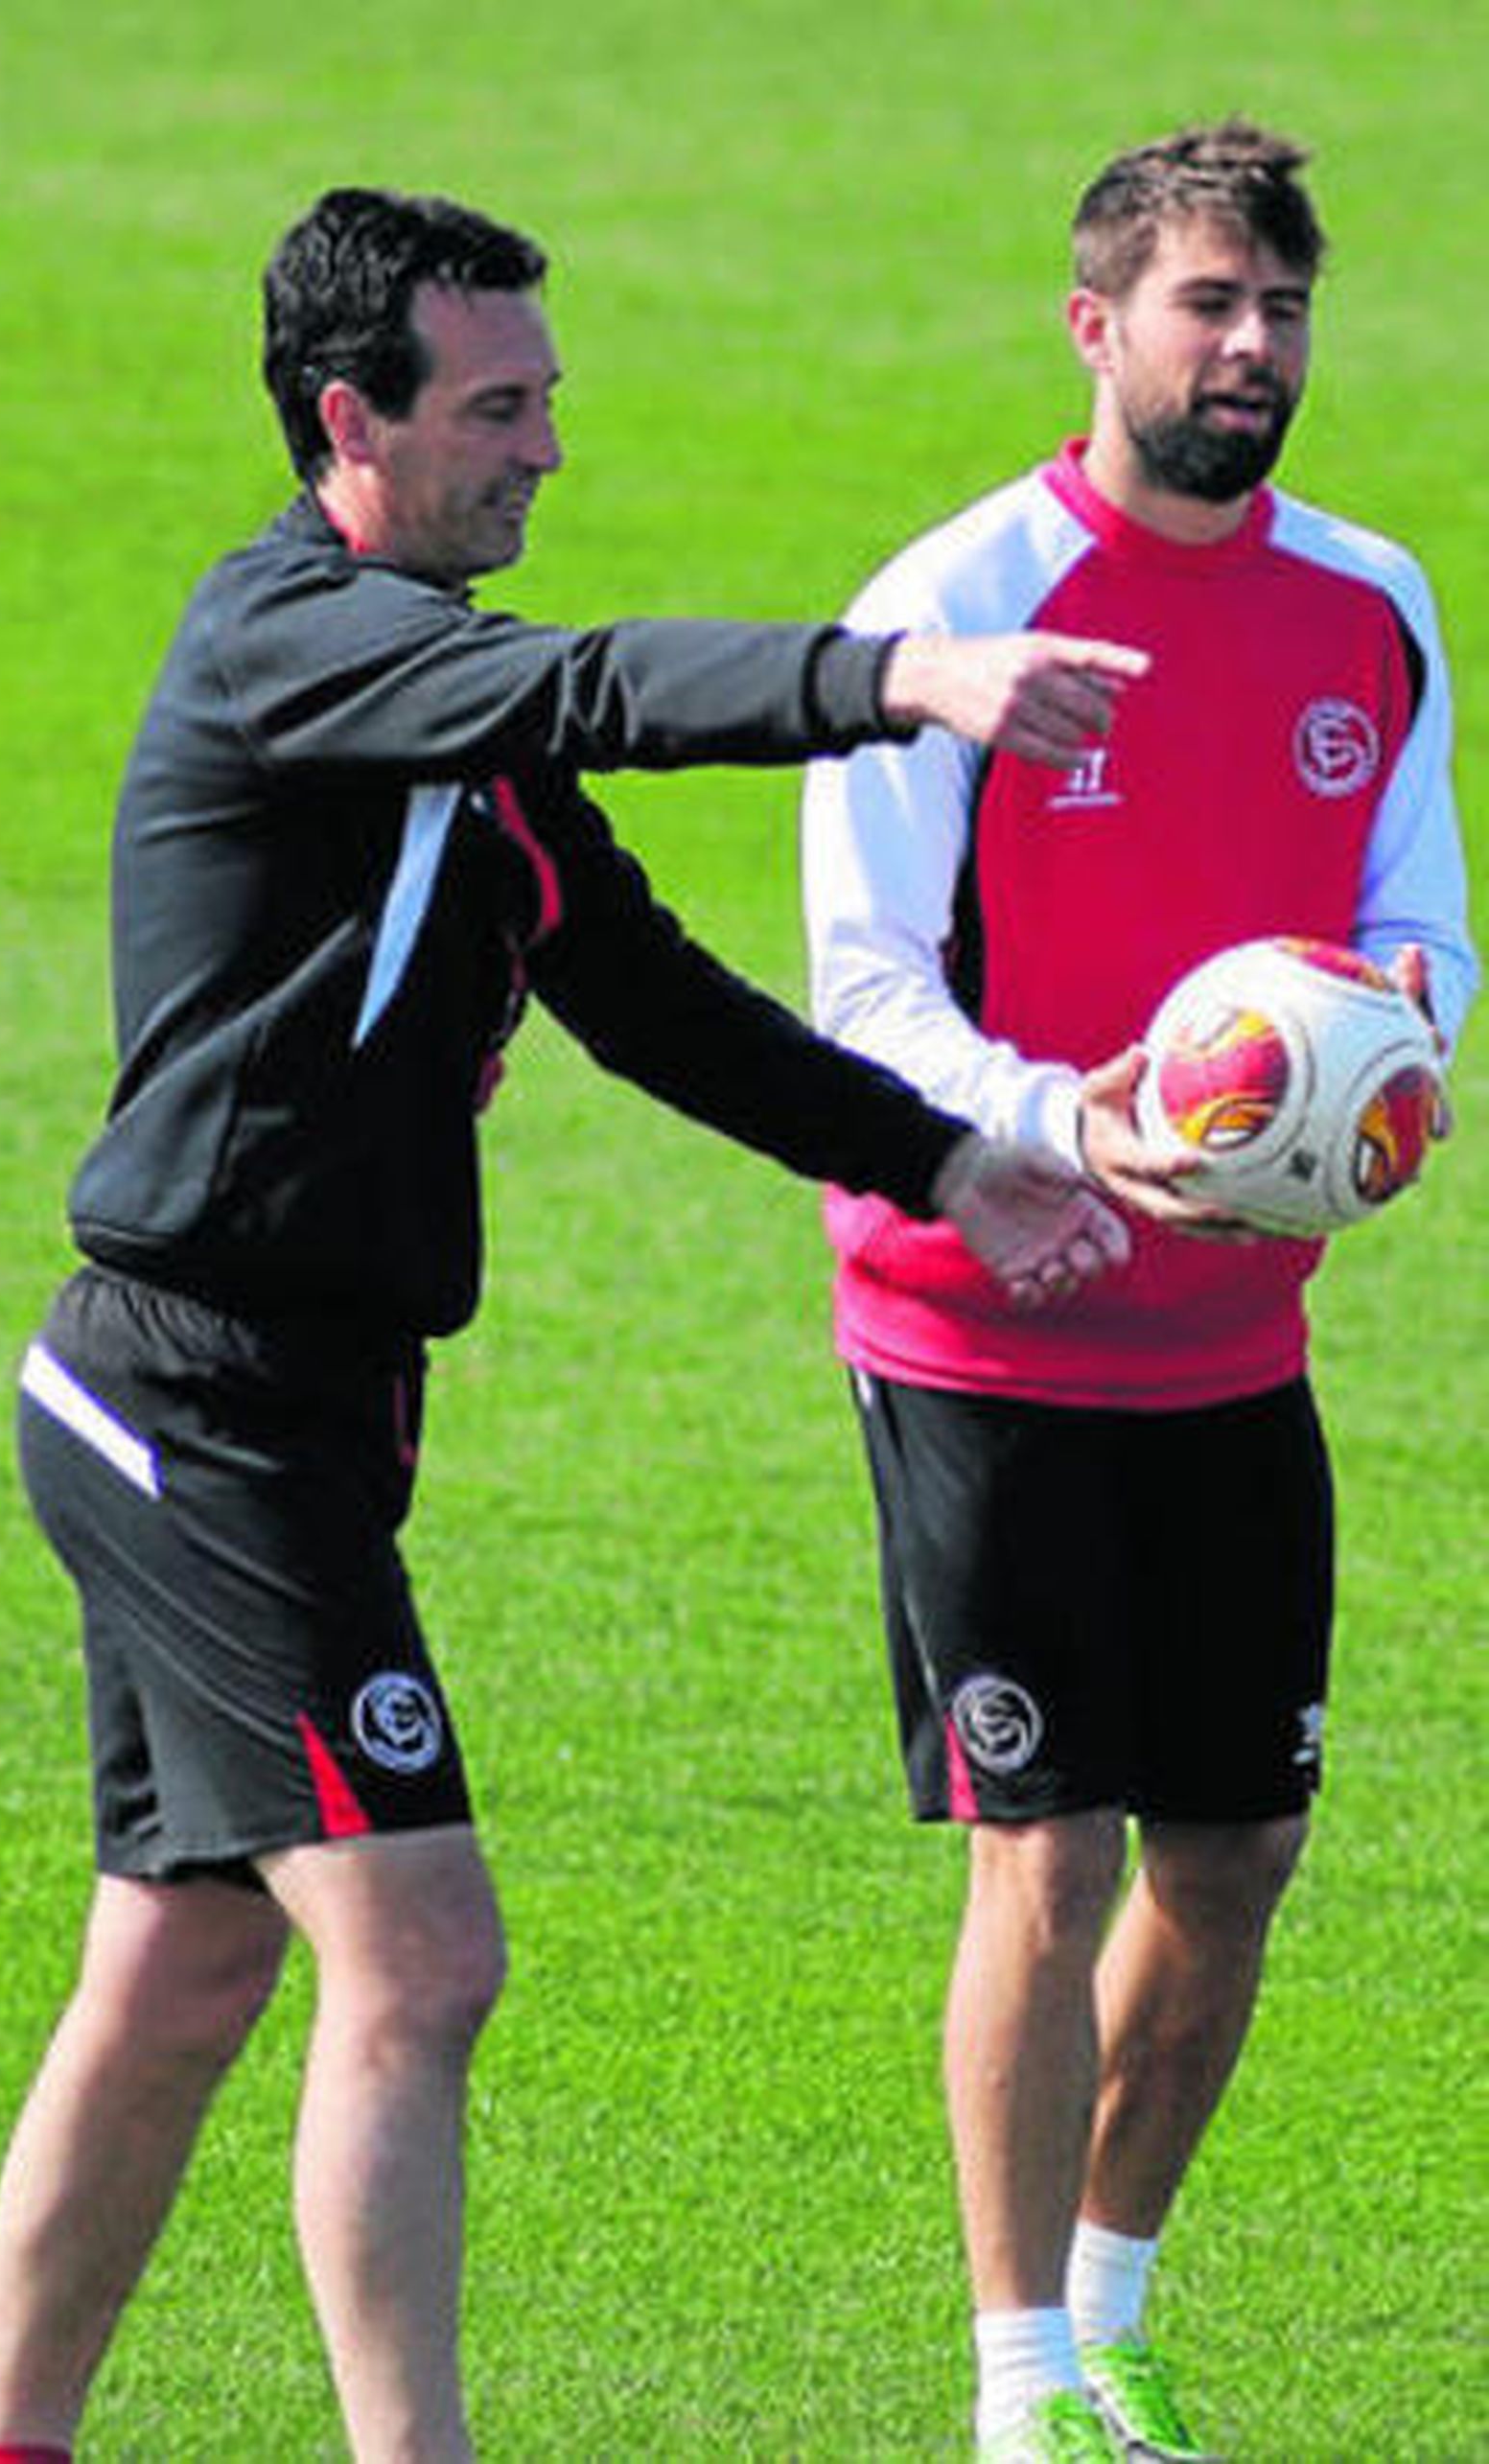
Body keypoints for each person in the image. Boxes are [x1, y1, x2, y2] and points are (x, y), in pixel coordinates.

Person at [0, 187, 1153, 2464]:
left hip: (304, 1411)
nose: (545, 451)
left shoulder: (454, 707)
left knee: (187, 1958)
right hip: (190, 1404)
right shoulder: (290, 642)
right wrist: (894, 676)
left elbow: (647, 994)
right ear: (352, 421)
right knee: (419, 1955)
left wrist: (943, 1163)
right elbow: (585, 681)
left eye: (545, 402)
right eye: (497, 409)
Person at [801, 120, 1477, 2463]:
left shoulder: (1366, 602)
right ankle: (1013, 2391)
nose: (1249, 347)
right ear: (1093, 326)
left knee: (1231, 1855)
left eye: (1279, 307)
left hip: (1227, 1339)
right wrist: (1063, 1125)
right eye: (1205, 305)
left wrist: (1388, 1054)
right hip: (976, 1323)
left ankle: (1106, 2325)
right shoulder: (956, 607)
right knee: (1046, 1843)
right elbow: (860, 990)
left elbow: (1415, 917)